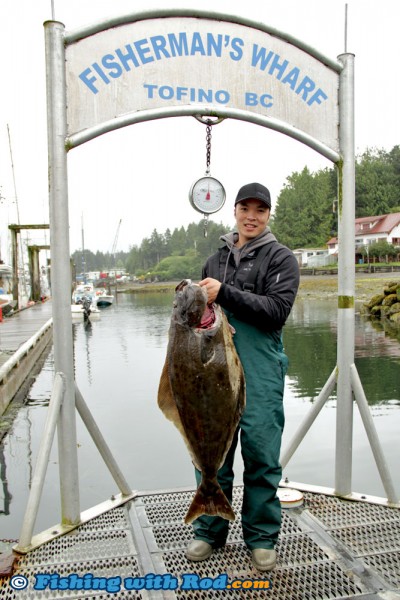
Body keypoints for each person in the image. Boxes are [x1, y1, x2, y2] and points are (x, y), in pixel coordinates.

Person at [185, 182, 300, 571]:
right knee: (210, 447)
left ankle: (262, 536)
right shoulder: (214, 260)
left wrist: (226, 294)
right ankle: (208, 531)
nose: (252, 216)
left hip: (261, 364)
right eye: (245, 208)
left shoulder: (282, 258)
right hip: (214, 365)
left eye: (260, 210)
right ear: (234, 211)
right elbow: (201, 312)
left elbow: (276, 311)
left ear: (269, 215)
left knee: (262, 452)